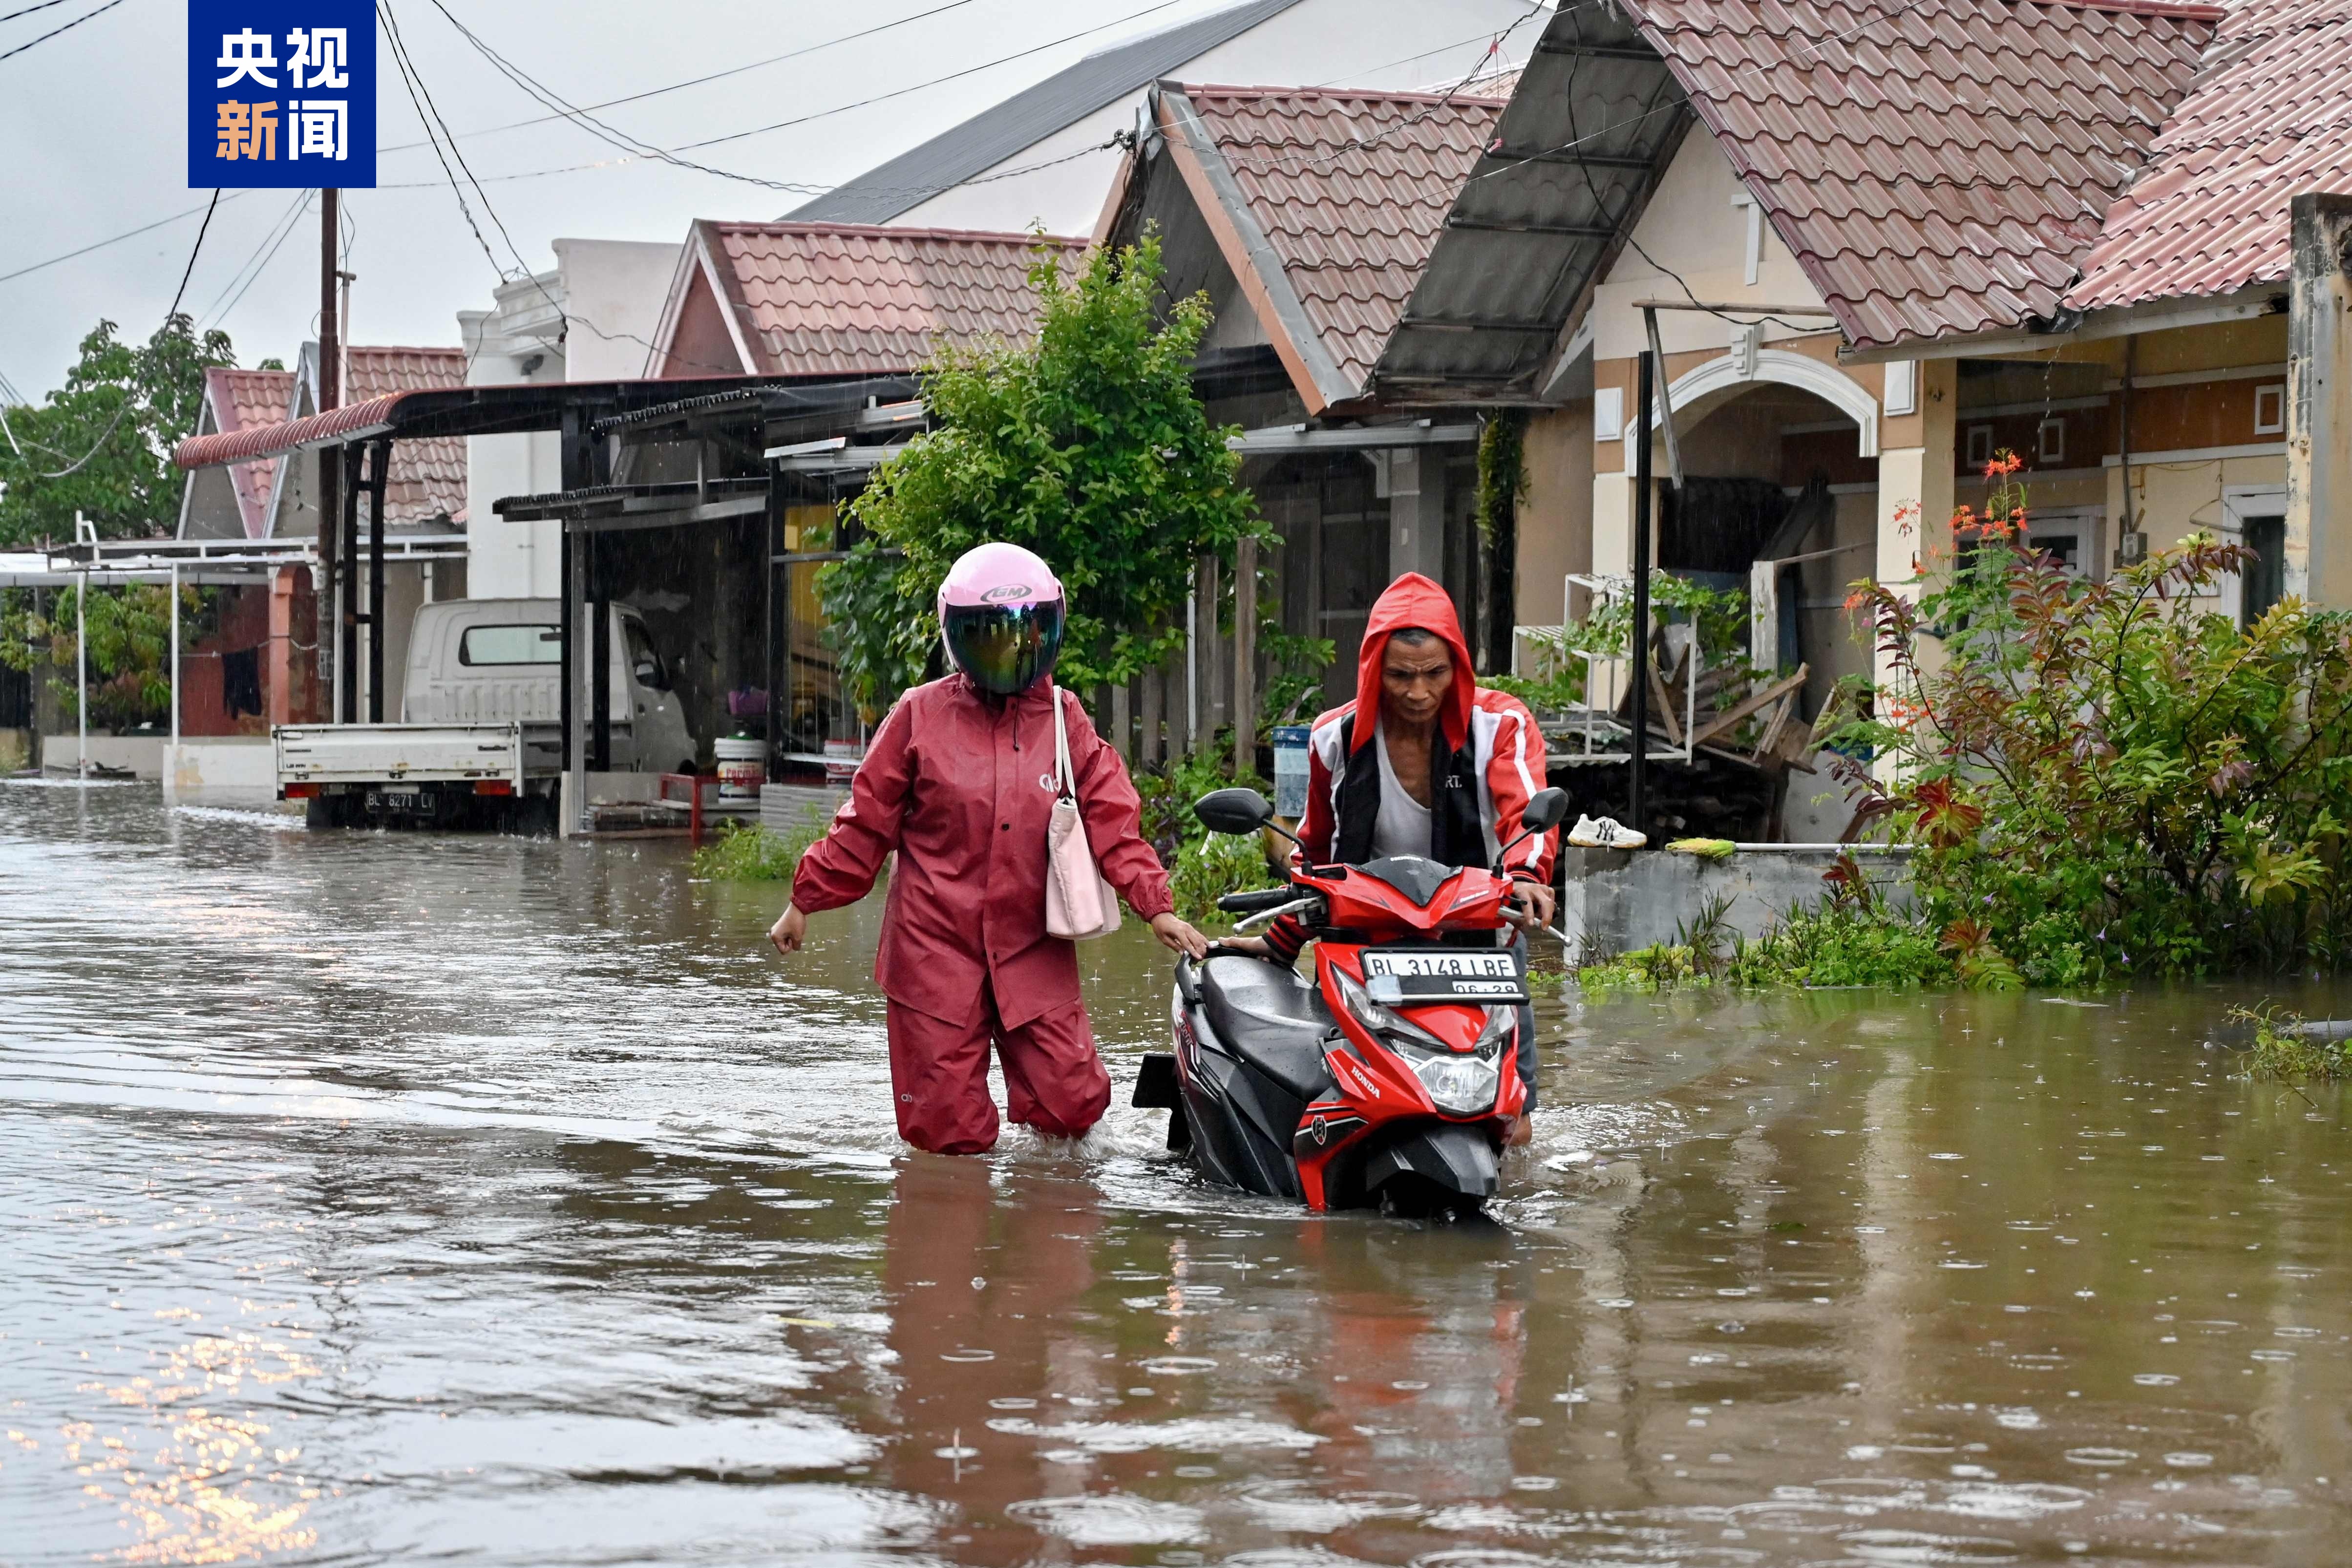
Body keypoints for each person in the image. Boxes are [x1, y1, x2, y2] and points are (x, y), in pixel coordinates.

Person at [768, 542, 1209, 1156]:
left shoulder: (1064, 718)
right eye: (989, 637)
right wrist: (804, 900)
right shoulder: (919, 717)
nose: (1009, 652)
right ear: (960, 639)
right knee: (946, 1135)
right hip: (933, 953)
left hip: (1033, 946)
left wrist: (1155, 905)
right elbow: (864, 825)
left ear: (1046, 632)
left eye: (1024, 635)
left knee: (1072, 1106)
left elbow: (1113, 817)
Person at [1221, 572, 1557, 1126]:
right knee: (1355, 1100)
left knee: (1511, 1121)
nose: (1419, 693)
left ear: (1459, 668)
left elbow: (1526, 809)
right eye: (1401, 676)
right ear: (1375, 670)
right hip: (1369, 943)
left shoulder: (1501, 724)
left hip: (1482, 938)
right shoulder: (1335, 736)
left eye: (1434, 674)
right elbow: (1317, 851)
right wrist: (1279, 942)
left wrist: (1525, 874)